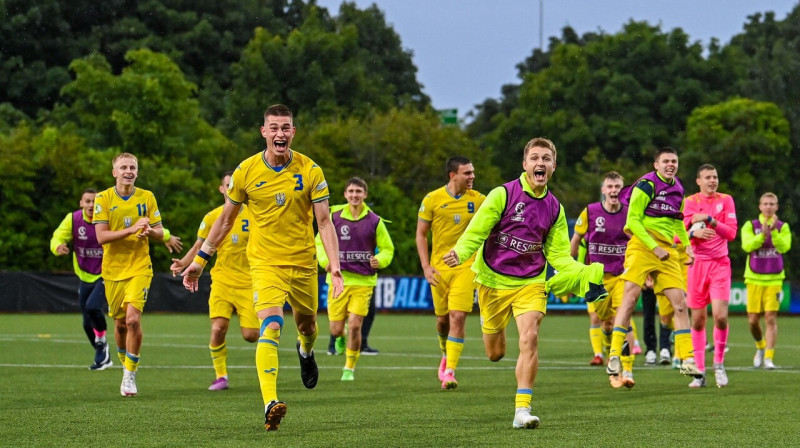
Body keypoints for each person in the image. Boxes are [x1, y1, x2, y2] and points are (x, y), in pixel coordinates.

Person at [181, 104, 343, 431]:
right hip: (265, 263)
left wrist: (335, 268)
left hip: (303, 263)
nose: (280, 134)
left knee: (308, 326)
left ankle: (305, 351)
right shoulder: (245, 171)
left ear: (293, 132)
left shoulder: (311, 170)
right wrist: (200, 260)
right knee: (270, 325)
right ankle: (270, 402)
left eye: (286, 128)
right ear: (264, 132)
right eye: (274, 128)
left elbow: (324, 222)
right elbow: (225, 219)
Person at [443, 137, 606, 429]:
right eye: (534, 158)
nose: (540, 163)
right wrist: (461, 252)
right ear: (525, 164)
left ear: (553, 166)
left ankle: (522, 410)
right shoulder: (502, 195)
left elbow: (559, 257)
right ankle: (495, 342)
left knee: (530, 338)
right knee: (495, 353)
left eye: (546, 158)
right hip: (492, 280)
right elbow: (476, 231)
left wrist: (586, 272)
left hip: (531, 282)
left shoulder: (554, 209)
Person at [606, 147, 702, 386]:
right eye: (666, 161)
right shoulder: (646, 185)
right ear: (656, 165)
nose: (671, 165)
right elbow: (633, 221)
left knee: (679, 304)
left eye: (674, 161)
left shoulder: (677, 188)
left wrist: (687, 245)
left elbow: (677, 221)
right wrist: (653, 247)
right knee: (629, 299)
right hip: (641, 244)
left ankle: (688, 359)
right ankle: (614, 355)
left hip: (667, 249)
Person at [170, 171, 258, 391]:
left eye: (234, 185)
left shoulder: (255, 215)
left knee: (251, 336)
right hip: (222, 281)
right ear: (222, 189)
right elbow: (199, 246)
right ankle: (221, 376)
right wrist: (183, 263)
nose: (231, 189)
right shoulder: (212, 217)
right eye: (227, 185)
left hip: (250, 282)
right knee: (218, 328)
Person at [93, 153, 166, 397]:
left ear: (137, 171)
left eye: (132, 167)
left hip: (139, 267)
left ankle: (130, 374)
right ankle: (125, 362)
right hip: (113, 270)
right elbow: (101, 237)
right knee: (121, 323)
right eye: (123, 167)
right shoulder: (103, 198)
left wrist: (149, 232)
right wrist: (131, 229)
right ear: (114, 172)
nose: (128, 171)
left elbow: (159, 231)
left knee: (133, 320)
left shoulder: (147, 197)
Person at [416, 156, 485, 390]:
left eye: (473, 172)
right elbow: (421, 235)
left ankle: (450, 371)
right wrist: (426, 267)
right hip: (439, 269)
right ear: (452, 175)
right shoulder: (432, 199)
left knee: (458, 317)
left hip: (466, 267)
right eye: (467, 173)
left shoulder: (480, 200)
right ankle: (445, 352)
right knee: (442, 320)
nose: (472, 176)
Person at [316, 177, 394, 381]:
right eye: (351, 191)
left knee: (356, 324)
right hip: (338, 281)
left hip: (363, 282)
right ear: (345, 194)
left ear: (365, 195)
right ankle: (340, 338)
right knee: (336, 329)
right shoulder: (334, 216)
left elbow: (388, 249)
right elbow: (319, 242)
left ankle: (349, 368)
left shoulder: (375, 221)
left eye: (358, 191)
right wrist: (325, 261)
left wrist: (380, 260)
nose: (354, 195)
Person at [569, 171, 639, 386]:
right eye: (609, 186)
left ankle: (627, 370)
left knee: (624, 321)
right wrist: (569, 268)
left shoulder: (630, 213)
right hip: (596, 279)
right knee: (605, 324)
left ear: (622, 188)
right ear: (603, 190)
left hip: (622, 276)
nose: (614, 190)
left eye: (617, 186)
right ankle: (611, 358)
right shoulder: (590, 212)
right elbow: (576, 239)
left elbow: (639, 242)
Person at [683, 164, 737, 388]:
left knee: (720, 316)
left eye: (714, 177)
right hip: (696, 265)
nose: (712, 180)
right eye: (707, 177)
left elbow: (731, 234)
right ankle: (700, 372)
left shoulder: (726, 200)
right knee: (697, 320)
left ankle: (719, 365)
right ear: (698, 181)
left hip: (720, 265)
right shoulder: (689, 202)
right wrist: (694, 231)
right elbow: (679, 236)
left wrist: (711, 220)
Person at [50, 189, 112, 370]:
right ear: (81, 203)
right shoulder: (73, 219)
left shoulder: (108, 218)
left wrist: (164, 235)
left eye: (95, 201)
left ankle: (101, 343)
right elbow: (57, 237)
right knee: (86, 323)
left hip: (105, 274)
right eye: (88, 201)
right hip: (84, 276)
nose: (92, 205)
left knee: (93, 307)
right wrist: (57, 247)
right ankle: (103, 354)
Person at [741, 192, 791, 370]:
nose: (769, 207)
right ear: (760, 207)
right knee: (753, 320)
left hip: (774, 278)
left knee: (770, 318)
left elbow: (784, 247)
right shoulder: (750, 225)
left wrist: (774, 232)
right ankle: (760, 347)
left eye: (772, 204)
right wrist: (761, 235)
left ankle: (769, 357)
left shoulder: (782, 226)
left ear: (777, 207)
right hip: (754, 278)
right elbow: (747, 246)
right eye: (765, 204)